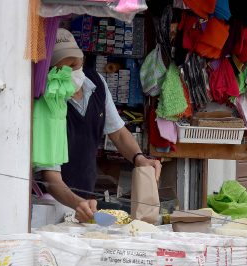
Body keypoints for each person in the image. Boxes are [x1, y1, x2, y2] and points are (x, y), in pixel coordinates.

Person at [34, 29, 161, 223]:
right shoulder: (49, 100)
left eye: (75, 64)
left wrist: (139, 158)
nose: (71, 73)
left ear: (82, 59)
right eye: (63, 68)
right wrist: (76, 203)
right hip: (51, 201)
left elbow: (117, 132)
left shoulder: (97, 84)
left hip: (85, 197)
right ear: (50, 71)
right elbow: (51, 177)